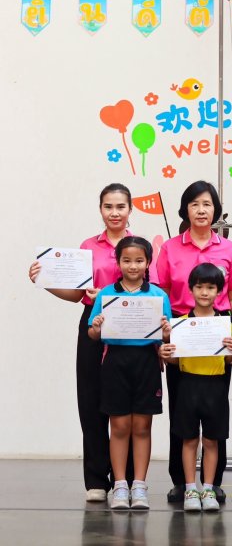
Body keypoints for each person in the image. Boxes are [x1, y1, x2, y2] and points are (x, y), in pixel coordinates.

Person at [28, 183, 135, 501]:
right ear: (100, 209)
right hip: (92, 324)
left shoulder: (137, 246)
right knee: (91, 401)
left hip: (130, 327)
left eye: (120, 206)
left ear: (130, 209)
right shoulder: (88, 247)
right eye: (108, 206)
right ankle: (96, 481)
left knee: (127, 405)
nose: (114, 213)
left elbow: (150, 289)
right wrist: (44, 280)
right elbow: (77, 294)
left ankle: (128, 479)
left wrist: (109, 295)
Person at [155, 180, 232, 504]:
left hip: (217, 334)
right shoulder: (170, 248)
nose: (201, 210)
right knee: (181, 411)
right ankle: (182, 482)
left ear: (216, 209)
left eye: (207, 204)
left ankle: (212, 482)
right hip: (181, 334)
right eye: (194, 204)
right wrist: (164, 334)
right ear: (186, 210)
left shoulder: (228, 249)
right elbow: (161, 293)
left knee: (215, 409)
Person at [88, 236, 172, 510]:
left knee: (142, 427)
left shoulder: (158, 296)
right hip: (115, 363)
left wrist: (167, 333)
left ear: (148, 263)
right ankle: (121, 485)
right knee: (119, 427)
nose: (133, 266)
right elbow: (92, 333)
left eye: (139, 260)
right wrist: (97, 327)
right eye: (126, 260)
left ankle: (139, 486)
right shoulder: (106, 295)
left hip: (147, 363)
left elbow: (167, 337)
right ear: (118, 262)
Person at [159, 263, 232, 512]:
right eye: (199, 287)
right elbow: (175, 360)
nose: (205, 292)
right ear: (190, 289)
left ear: (219, 291)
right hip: (188, 385)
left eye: (211, 288)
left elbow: (231, 361)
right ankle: (190, 488)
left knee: (212, 440)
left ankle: (208, 488)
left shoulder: (225, 324)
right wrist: (165, 354)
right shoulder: (180, 324)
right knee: (189, 439)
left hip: (215, 386)